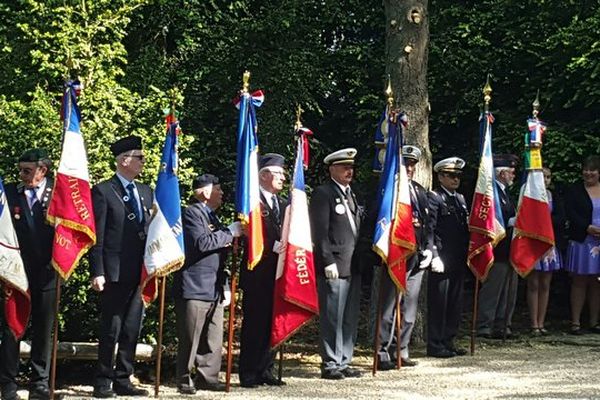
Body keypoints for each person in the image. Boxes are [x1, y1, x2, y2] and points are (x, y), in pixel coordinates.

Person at [89, 136, 152, 398]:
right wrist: (97, 271)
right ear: (124, 160)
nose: (143, 162)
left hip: (140, 271)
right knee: (111, 327)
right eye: (139, 157)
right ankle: (103, 380)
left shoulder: (147, 191)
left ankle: (124, 378)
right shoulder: (103, 191)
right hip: (114, 271)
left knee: (131, 328)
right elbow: (97, 236)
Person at [173, 174, 241, 394]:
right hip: (194, 285)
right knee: (190, 337)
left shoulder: (213, 217)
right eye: (218, 189)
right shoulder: (191, 213)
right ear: (204, 191)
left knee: (213, 337)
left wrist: (226, 287)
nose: (222, 193)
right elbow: (202, 243)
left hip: (214, 286)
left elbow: (221, 252)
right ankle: (184, 379)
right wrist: (229, 232)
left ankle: (207, 377)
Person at [0, 149, 56, 400]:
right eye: (20, 170)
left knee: (43, 329)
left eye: (27, 171)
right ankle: (8, 384)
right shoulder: (9, 193)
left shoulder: (59, 194)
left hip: (47, 271)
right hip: (16, 272)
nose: (22, 175)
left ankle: (40, 383)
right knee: (12, 326)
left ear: (42, 170)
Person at [374, 145, 433, 369]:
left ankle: (402, 349)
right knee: (389, 306)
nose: (409, 168)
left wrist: (428, 248)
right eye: (405, 164)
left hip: (416, 255)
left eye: (412, 165)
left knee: (409, 309)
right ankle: (382, 352)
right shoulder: (389, 191)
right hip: (396, 255)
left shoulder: (418, 190)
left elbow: (427, 223)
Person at [310, 148, 363, 380]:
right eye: (343, 167)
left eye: (350, 167)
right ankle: (330, 362)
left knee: (349, 317)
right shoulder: (324, 193)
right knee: (332, 316)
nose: (348, 171)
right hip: (334, 265)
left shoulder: (352, 194)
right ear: (332, 169)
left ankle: (344, 360)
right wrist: (327, 260)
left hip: (353, 265)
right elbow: (320, 232)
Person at [238, 153, 287, 388]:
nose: (283, 178)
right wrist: (272, 246)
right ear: (264, 175)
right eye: (279, 174)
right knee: (255, 323)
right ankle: (248, 371)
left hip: (278, 272)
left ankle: (265, 368)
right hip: (257, 271)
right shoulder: (251, 200)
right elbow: (249, 235)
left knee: (272, 322)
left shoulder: (284, 203)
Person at [426, 157, 469, 357]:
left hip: (458, 257)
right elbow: (430, 228)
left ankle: (449, 339)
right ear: (441, 176)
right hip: (442, 257)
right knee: (439, 303)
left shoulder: (459, 199)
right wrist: (433, 254)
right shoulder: (434, 197)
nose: (455, 179)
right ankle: (435, 343)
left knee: (454, 301)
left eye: (458, 176)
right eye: (451, 175)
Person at [476, 154, 519, 339]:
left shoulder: (504, 193)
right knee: (493, 289)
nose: (513, 176)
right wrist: (512, 221)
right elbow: (491, 219)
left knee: (509, 289)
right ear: (501, 173)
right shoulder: (491, 192)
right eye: (511, 172)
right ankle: (485, 325)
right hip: (497, 249)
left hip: (510, 248)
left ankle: (502, 324)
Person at [564, 155, 600, 335]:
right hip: (582, 240)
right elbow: (570, 213)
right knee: (580, 280)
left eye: (592, 170)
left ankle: (594, 322)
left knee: (597, 282)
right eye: (585, 169)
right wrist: (587, 227)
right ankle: (576, 323)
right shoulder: (575, 190)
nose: (588, 173)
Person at [526, 167, 565, 336]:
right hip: (533, 243)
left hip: (549, 243)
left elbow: (560, 217)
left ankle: (541, 322)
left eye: (548, 177)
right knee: (533, 283)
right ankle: (533, 323)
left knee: (545, 284)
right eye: (543, 177)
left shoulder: (553, 196)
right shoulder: (529, 195)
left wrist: (546, 221)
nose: (546, 180)